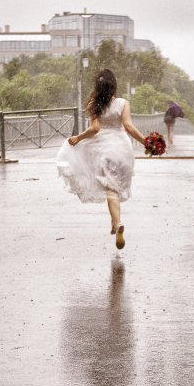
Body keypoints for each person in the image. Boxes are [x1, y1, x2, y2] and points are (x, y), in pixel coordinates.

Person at [57, 69, 147, 250]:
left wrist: (78, 138)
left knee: (110, 190)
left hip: (104, 150)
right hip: (122, 150)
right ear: (114, 85)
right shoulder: (123, 103)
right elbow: (128, 126)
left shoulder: (94, 104)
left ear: (97, 86)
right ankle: (115, 223)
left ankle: (118, 223)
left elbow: (95, 129)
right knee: (115, 188)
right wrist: (146, 142)